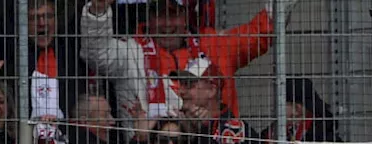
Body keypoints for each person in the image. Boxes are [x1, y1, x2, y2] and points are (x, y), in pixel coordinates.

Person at [80, 0, 288, 120]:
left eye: (174, 15)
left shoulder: (215, 45)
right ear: (148, 18)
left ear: (186, 16)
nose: (168, 24)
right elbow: (96, 52)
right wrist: (97, 11)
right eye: (160, 15)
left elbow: (262, 30)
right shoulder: (130, 51)